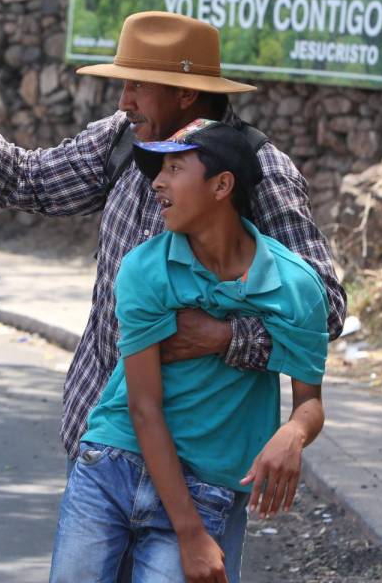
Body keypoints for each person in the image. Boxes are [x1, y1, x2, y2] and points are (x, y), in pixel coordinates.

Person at [0, 11, 346, 570]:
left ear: (186, 94)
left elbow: (324, 308)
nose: (123, 100)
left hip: (201, 468)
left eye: (136, 85)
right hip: (104, 449)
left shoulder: (257, 172)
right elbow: (28, 180)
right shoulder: (122, 142)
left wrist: (226, 336)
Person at [48, 119, 327, 583]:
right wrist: (190, 534)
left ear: (221, 185)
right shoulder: (146, 268)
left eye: (174, 167)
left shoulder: (296, 286)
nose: (157, 181)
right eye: (159, 168)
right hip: (111, 468)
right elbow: (142, 406)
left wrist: (294, 434)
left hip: (207, 485)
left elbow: (310, 402)